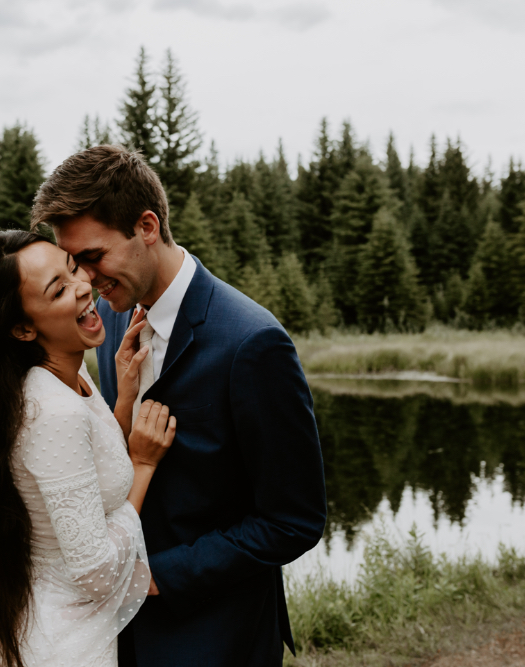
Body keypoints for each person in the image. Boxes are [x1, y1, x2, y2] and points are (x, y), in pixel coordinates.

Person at [30, 145, 327, 666]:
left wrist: (157, 578)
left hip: (216, 632)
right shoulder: (116, 319)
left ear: (146, 226)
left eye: (95, 258)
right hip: (116, 632)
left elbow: (293, 519)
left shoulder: (252, 343)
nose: (87, 282)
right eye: (75, 264)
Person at [0, 230, 177, 666]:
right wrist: (143, 464)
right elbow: (95, 572)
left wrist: (122, 402)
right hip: (65, 648)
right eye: (59, 289)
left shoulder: (66, 376)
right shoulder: (53, 411)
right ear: (23, 328)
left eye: (73, 267)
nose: (83, 287)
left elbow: (89, 472)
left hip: (60, 629)